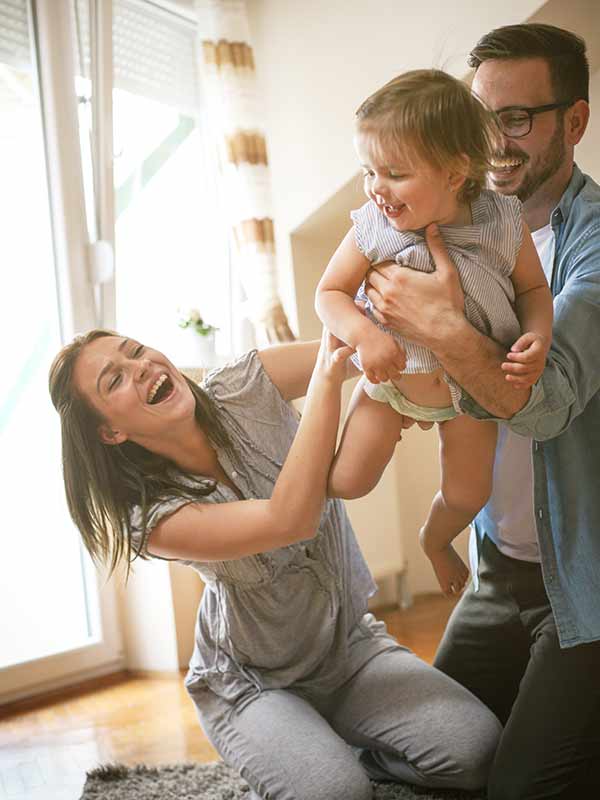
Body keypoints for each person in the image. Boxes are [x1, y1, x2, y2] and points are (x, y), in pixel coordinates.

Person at [48, 329, 501, 800]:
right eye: (114, 379)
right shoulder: (150, 519)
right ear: (111, 431)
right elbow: (291, 520)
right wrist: (327, 380)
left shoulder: (243, 382)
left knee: (477, 751)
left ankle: (334, 750)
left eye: (136, 350)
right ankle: (298, 755)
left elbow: (366, 348)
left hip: (348, 650)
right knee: (337, 794)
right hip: (250, 684)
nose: (140, 366)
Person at [363, 24, 600, 800]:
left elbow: (543, 405)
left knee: (523, 787)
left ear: (574, 122)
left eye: (518, 118)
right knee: (422, 761)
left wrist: (437, 326)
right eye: (480, 112)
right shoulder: (451, 219)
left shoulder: (592, 247)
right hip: (500, 570)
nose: (493, 138)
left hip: (587, 585)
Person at [316, 68, 553, 596]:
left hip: (470, 393)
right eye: (367, 171)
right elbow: (328, 294)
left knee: (469, 495)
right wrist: (366, 336)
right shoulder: (375, 226)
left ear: (454, 171)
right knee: (348, 481)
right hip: (390, 381)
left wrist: (538, 336)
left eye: (394, 173)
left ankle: (433, 539)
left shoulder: (501, 221)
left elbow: (535, 292)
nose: (377, 188)